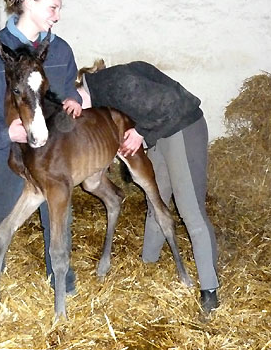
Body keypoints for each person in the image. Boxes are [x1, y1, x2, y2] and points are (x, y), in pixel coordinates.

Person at [71, 60, 219, 313]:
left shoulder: (114, 84)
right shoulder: (102, 91)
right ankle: (147, 266)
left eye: (76, 112)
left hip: (184, 128)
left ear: (77, 93)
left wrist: (139, 132)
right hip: (161, 133)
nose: (78, 118)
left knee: (190, 210)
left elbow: (171, 101)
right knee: (156, 200)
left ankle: (210, 289)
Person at [0, 0, 81, 293]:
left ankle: (60, 277)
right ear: (28, 4)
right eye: (52, 7)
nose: (57, 15)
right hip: (5, 148)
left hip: (51, 150)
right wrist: (5, 133)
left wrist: (76, 100)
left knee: (58, 213)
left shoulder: (59, 51)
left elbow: (66, 91)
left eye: (58, 8)